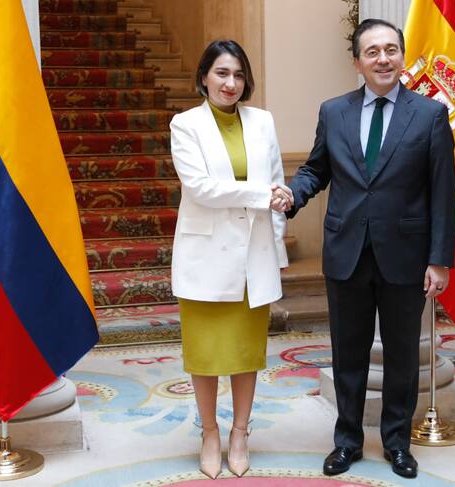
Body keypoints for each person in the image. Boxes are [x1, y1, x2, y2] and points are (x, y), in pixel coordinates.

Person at [285, 19, 455, 479]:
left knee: (402, 356)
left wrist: (439, 259)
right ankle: (347, 442)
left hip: (405, 255)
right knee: (348, 354)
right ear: (357, 62)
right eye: (373, 52)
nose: (383, 59)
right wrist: (292, 195)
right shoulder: (333, 112)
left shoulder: (430, 115)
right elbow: (316, 169)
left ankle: (398, 443)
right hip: (346, 252)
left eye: (391, 50)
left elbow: (443, 192)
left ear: (402, 56)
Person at [169, 39, 293, 479]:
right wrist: (262, 195)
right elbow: (201, 188)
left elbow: (277, 185)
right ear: (204, 76)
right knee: (204, 355)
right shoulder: (185, 125)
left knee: (245, 354)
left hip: (252, 259)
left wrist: (276, 247)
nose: (231, 83)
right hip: (204, 259)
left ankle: (240, 432)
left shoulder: (263, 121)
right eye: (221, 73)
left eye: (239, 75)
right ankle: (209, 433)